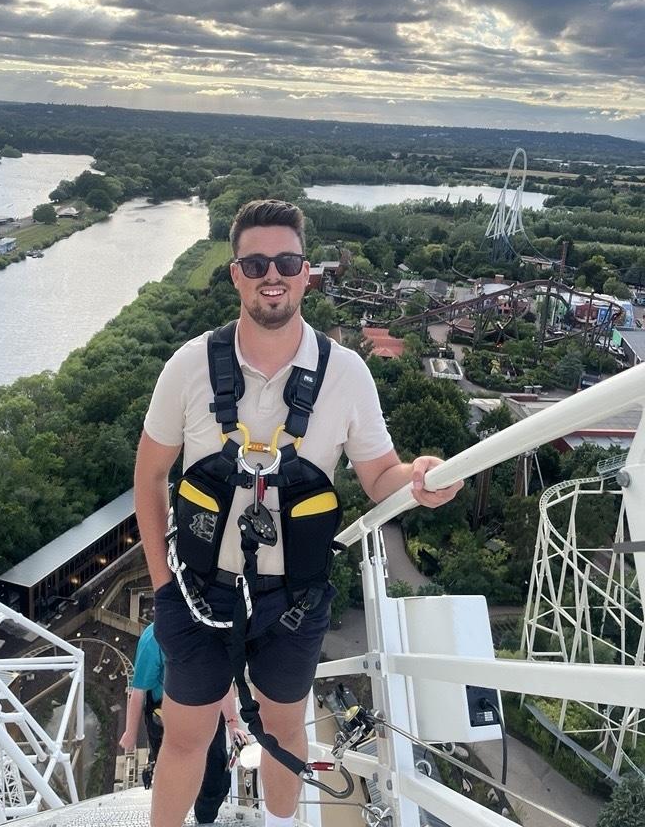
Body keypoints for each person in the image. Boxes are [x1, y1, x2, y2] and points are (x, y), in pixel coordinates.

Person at [135, 198, 464, 827]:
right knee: (185, 733)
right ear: (235, 274)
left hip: (295, 599)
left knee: (285, 731)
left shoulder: (346, 375)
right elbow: (149, 475)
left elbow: (378, 476)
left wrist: (417, 477)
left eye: (285, 260)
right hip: (199, 588)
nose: (271, 275)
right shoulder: (188, 367)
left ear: (306, 270)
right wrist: (160, 584)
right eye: (255, 263)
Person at [118, 622, 247, 822]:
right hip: (167, 714)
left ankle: (205, 817)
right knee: (172, 778)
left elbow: (221, 683)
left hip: (205, 707)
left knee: (214, 778)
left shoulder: (212, 629)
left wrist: (232, 724)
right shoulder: (154, 638)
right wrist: (130, 733)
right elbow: (139, 691)